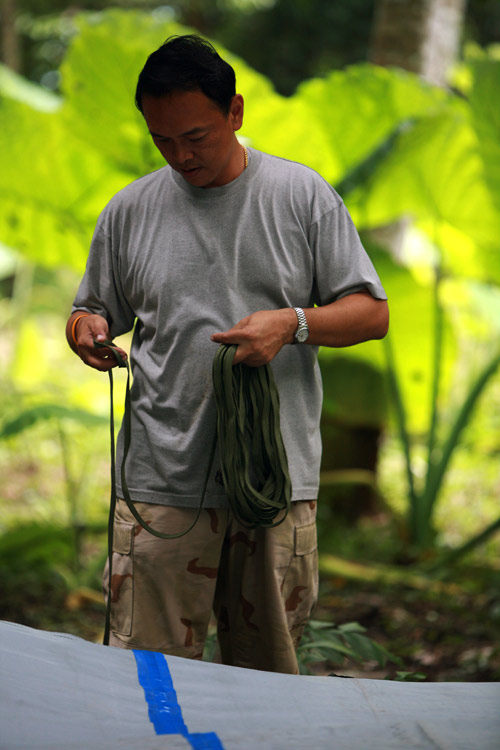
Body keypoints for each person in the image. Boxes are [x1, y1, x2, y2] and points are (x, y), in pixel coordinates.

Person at [66, 34, 389, 674]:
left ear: (235, 112)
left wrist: (292, 324)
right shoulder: (130, 210)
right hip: (161, 480)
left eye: (196, 136)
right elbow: (93, 308)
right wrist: (86, 328)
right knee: (147, 677)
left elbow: (371, 313)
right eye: (163, 140)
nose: (181, 155)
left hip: (271, 479)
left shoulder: (301, 197)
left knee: (268, 677)